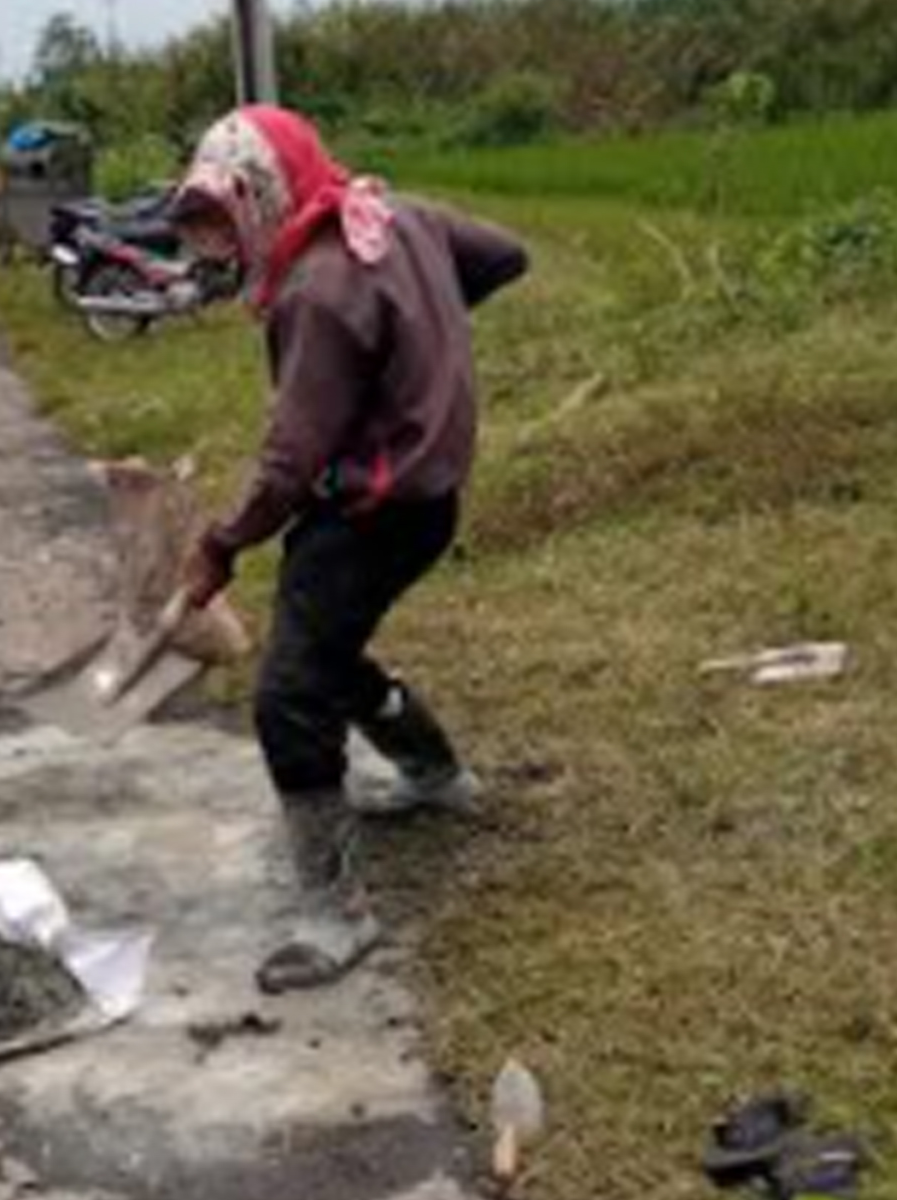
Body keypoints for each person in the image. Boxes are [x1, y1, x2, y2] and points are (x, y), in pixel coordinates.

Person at [172, 106, 529, 995]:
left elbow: (288, 464)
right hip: (428, 501)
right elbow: (503, 255)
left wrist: (219, 545)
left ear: (267, 194)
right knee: (324, 648)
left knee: (288, 697)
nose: (219, 240)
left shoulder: (319, 291)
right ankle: (434, 773)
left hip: (364, 513)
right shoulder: (390, 215)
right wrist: (421, 331)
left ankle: (335, 912)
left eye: (227, 214)